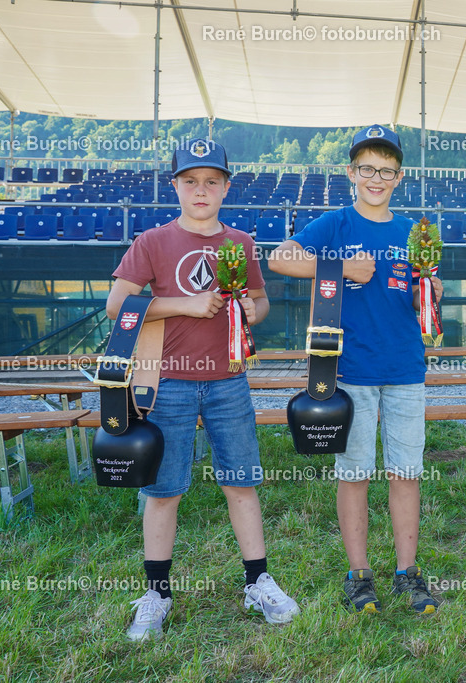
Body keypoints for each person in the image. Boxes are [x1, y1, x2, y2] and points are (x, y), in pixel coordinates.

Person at [108, 138, 300, 641]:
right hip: (165, 383)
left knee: (241, 482)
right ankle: (156, 593)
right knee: (163, 490)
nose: (201, 190)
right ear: (174, 185)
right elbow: (117, 308)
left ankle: (258, 581)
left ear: (225, 187)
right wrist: (184, 304)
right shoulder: (151, 241)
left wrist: (247, 311)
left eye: (211, 181)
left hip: (227, 381)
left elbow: (259, 302)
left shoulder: (240, 241)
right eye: (190, 180)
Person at [268, 125, 443, 615]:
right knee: (355, 474)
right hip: (350, 371)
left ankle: (408, 573)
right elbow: (280, 258)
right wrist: (341, 268)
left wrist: (428, 294)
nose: (376, 178)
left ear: (399, 177)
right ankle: (358, 574)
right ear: (351, 172)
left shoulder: (412, 231)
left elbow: (417, 294)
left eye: (386, 171)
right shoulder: (337, 223)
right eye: (367, 168)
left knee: (406, 471)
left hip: (405, 367)